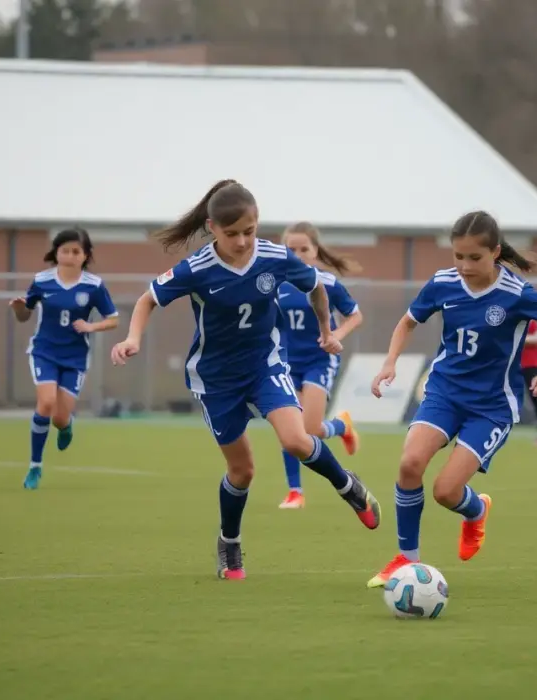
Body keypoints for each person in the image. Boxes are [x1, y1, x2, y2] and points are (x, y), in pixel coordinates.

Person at [110, 179, 381, 580]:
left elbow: (316, 288)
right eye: (232, 233)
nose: (242, 241)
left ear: (258, 225)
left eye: (249, 231)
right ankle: (230, 543)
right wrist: (133, 337)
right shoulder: (197, 269)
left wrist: (326, 330)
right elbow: (149, 298)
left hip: (265, 366)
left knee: (296, 438)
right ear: (212, 228)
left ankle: (348, 486)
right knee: (243, 471)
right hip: (216, 380)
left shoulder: (275, 257)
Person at [365, 210, 537, 589]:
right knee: (410, 463)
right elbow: (408, 321)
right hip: (444, 392)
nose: (463, 265)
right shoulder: (443, 284)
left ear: (495, 252)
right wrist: (390, 362)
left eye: (474, 257)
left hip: (491, 407)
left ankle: (476, 511)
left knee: (446, 491)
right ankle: (406, 561)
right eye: (458, 257)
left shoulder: (515, 293)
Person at [9, 227, 119, 490]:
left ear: (85, 256)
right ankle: (35, 466)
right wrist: (18, 309)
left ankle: (66, 426)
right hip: (44, 352)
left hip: (75, 358)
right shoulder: (41, 281)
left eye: (76, 251)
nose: (70, 255)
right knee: (45, 403)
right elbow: (25, 314)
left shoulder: (93, 286)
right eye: (65, 250)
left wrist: (91, 327)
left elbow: (113, 320)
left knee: (59, 417)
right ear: (56, 253)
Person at [276, 221, 364, 509]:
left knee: (310, 429)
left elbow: (354, 315)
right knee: (291, 430)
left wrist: (336, 335)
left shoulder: (325, 282)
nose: (298, 254)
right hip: (286, 364)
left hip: (318, 360)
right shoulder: (272, 283)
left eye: (304, 249)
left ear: (315, 251)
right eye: (291, 249)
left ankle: (341, 426)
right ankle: (295, 491)